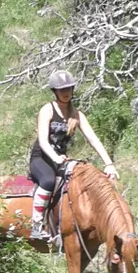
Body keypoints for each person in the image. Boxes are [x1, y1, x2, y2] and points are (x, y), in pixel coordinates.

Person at [29, 70, 119, 240]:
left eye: (68, 89)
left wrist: (109, 164)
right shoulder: (47, 110)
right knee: (48, 181)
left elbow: (94, 139)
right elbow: (43, 141)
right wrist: (55, 158)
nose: (65, 93)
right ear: (55, 92)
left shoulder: (77, 115)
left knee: (84, 180)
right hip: (42, 158)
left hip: (61, 160)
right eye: (61, 90)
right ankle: (37, 225)